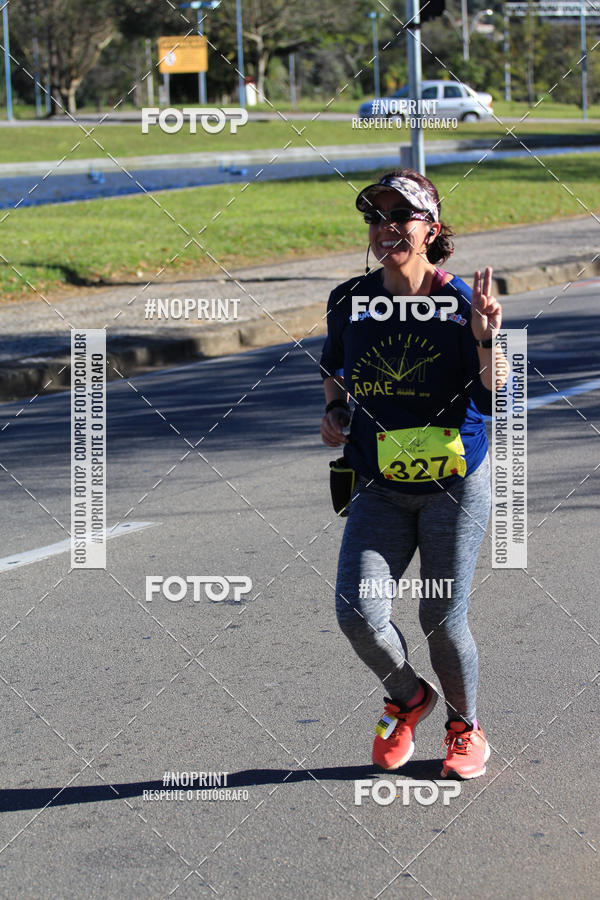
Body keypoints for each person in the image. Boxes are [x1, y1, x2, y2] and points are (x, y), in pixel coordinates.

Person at [319, 169, 508, 780]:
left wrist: (487, 338)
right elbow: (336, 367)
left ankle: (464, 726)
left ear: (431, 229)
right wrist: (334, 408)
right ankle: (408, 697)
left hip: (454, 485)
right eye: (375, 218)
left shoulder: (460, 300)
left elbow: (496, 384)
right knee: (357, 612)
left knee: (441, 617)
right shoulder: (349, 299)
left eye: (401, 218)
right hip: (378, 485)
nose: (386, 229)